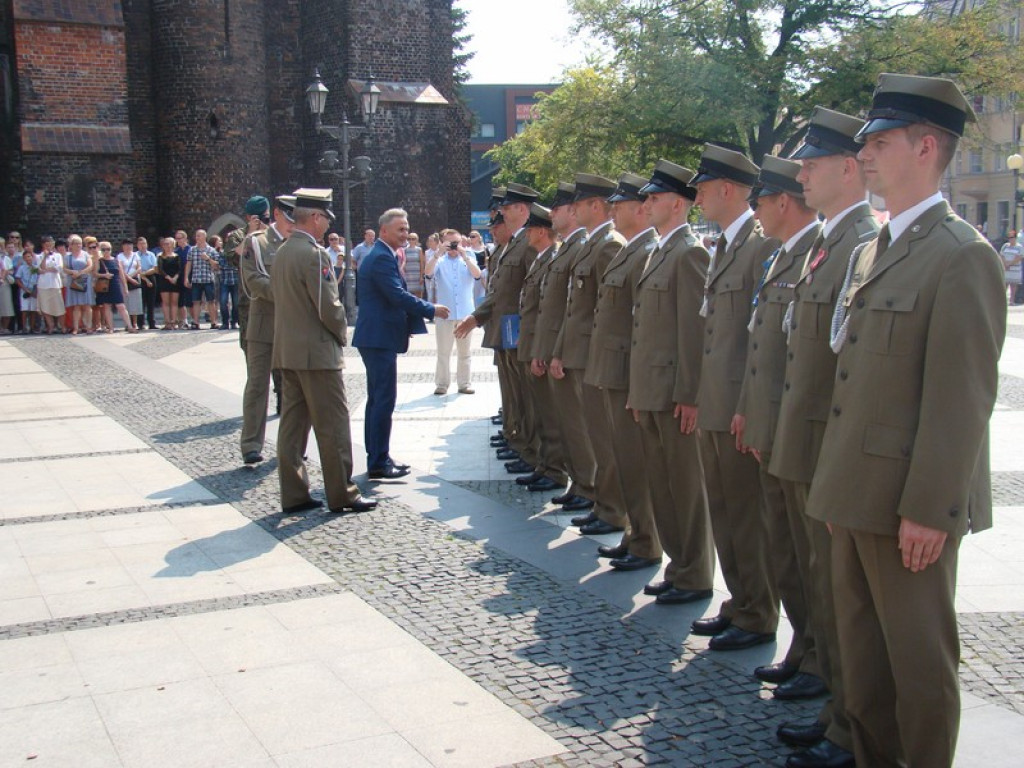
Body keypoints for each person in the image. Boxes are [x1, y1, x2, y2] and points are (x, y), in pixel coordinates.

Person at [807, 73, 1005, 768]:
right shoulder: (873, 248)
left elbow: (962, 398)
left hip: (908, 507)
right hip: (856, 493)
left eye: (880, 141)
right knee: (863, 666)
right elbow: (852, 379)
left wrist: (929, 509)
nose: (865, 154)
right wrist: (835, 487)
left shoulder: (962, 256)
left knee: (918, 668)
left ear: (925, 147)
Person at [770, 106, 880, 768]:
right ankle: (837, 708)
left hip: (828, 447)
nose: (801, 173)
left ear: (847, 168)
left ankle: (847, 716)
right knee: (818, 579)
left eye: (812, 163)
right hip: (806, 437)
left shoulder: (856, 243)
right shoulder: (832, 244)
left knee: (841, 594)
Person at [737, 155, 823, 697]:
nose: (755, 212)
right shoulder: (784, 256)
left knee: (808, 559)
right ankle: (805, 649)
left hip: (801, 433)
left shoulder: (816, 253)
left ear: (783, 202)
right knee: (787, 554)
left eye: (760, 201)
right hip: (774, 426)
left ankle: (820, 661)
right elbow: (761, 343)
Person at [690, 144, 782, 651]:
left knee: (748, 517)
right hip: (715, 402)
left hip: (737, 408)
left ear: (728, 189)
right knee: (725, 514)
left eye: (704, 190)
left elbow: (759, 338)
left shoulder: (760, 245)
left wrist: (749, 406)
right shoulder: (726, 245)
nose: (699, 198)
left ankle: (758, 611)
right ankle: (741, 599)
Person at [628, 159, 715, 602]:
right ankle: (678, 564)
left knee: (685, 488)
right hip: (652, 389)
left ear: (678, 203)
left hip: (674, 394)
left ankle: (696, 573)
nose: (647, 203)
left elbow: (693, 333)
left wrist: (689, 394)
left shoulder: (690, 252)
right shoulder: (662, 250)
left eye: (655, 197)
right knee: (663, 486)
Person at [271, 188, 376, 515]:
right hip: (316, 354)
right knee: (332, 425)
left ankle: (293, 492)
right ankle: (342, 492)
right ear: (315, 217)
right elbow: (328, 306)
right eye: (325, 219)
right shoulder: (313, 254)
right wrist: (341, 333)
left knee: (292, 427)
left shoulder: (283, 251)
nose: (327, 226)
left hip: (288, 352)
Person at [583, 173, 661, 555]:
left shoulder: (644, 251)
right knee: (624, 456)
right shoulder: (632, 249)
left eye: (621, 204)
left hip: (628, 371)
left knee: (633, 460)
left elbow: (641, 324)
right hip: (614, 369)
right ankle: (635, 534)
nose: (613, 210)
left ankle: (644, 537)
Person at [353, 208, 449, 479]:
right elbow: (397, 295)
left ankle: (379, 456)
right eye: (400, 229)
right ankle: (378, 463)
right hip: (378, 338)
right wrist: (431, 309)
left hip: (376, 337)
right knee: (383, 400)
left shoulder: (384, 254)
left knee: (377, 400)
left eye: (407, 229)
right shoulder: (382, 257)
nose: (405, 234)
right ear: (384, 231)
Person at [238, 194, 295, 464]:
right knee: (258, 386)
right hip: (263, 327)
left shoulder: (301, 244)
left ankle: (292, 445)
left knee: (293, 390)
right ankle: (251, 444)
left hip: (293, 327)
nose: (293, 223)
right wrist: (290, 293)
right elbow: (253, 281)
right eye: (289, 217)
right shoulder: (256, 242)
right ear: (277, 214)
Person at [424, 228, 481, 395]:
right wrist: (438, 253)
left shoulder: (468, 258)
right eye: (450, 243)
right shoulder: (439, 261)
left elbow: (477, 275)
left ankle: (464, 383)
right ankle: (442, 384)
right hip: (445, 313)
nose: (454, 246)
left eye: (456, 242)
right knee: (443, 352)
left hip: (465, 313)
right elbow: (427, 273)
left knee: (465, 352)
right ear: (443, 243)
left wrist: (464, 255)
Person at [226, 195, 271, 354]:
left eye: (264, 216)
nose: (262, 220)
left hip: (273, 299)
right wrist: (250, 234)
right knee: (251, 349)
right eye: (257, 217)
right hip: (248, 299)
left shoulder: (274, 234)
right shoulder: (237, 236)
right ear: (248, 217)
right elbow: (233, 258)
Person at [93, 241, 135, 332]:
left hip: (115, 284)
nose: (106, 251)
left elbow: (122, 275)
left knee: (121, 306)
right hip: (105, 286)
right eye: (103, 249)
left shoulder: (116, 260)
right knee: (107, 306)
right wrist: (104, 275)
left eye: (108, 249)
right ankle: (111, 327)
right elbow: (95, 273)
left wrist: (125, 287)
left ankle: (130, 326)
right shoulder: (99, 261)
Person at [185, 229, 219, 329]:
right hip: (196, 279)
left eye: (199, 236)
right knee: (196, 301)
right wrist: (186, 278)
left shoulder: (211, 250)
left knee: (211, 301)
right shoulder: (192, 250)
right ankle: (196, 322)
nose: (197, 238)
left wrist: (208, 259)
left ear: (204, 237)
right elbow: (188, 264)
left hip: (208, 279)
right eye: (196, 236)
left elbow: (217, 265)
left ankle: (213, 322)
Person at [65, 235, 95, 334]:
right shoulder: (67, 256)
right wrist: (72, 272)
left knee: (87, 305)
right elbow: (64, 268)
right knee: (76, 306)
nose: (78, 245)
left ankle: (88, 327)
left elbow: (90, 266)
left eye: (80, 243)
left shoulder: (85, 254)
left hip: (84, 280)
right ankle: (76, 327)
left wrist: (80, 273)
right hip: (73, 281)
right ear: (71, 245)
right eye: (76, 243)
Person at [36, 236, 65, 334]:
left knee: (59, 306)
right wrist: (44, 257)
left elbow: (58, 268)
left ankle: (62, 326)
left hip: (55, 284)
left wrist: (46, 270)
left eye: (50, 243)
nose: (48, 246)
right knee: (45, 307)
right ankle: (51, 326)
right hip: (43, 285)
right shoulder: (39, 256)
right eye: (46, 244)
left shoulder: (57, 256)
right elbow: (40, 269)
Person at [214, 235, 239, 329]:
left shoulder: (238, 251)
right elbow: (221, 265)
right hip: (224, 280)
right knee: (223, 302)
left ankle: (234, 322)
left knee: (236, 303)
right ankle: (225, 322)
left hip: (236, 280)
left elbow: (238, 264)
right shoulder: (222, 252)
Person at [156, 236, 182, 329]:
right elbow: (160, 269)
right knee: (165, 302)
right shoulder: (160, 256)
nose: (166, 246)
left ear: (172, 245)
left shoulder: (177, 256)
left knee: (174, 302)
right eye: (164, 244)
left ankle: (174, 321)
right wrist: (168, 278)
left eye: (168, 244)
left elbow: (180, 269)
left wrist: (175, 277)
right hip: (164, 280)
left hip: (175, 281)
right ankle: (167, 322)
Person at [118, 239, 143, 331]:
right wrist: (128, 278)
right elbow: (120, 269)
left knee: (135, 302)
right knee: (126, 301)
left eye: (130, 245)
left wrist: (131, 277)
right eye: (126, 245)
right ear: (123, 246)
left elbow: (139, 268)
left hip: (135, 279)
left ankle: (135, 323)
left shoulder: (135, 255)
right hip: (123, 281)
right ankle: (127, 323)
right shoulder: (119, 256)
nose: (128, 247)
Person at [136, 236, 159, 330]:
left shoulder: (151, 255)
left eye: (144, 243)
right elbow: (137, 269)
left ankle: (152, 323)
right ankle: (140, 323)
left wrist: (145, 274)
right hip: (139, 278)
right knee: (141, 302)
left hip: (150, 276)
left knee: (151, 302)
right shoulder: (135, 255)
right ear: (137, 245)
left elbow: (155, 268)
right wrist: (144, 276)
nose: (143, 246)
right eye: (141, 244)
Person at [174, 230, 195, 328]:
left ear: (185, 239)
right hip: (179, 278)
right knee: (180, 301)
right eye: (176, 238)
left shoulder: (191, 250)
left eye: (180, 238)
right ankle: (184, 320)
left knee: (190, 301)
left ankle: (195, 320)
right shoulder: (176, 251)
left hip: (190, 277)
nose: (178, 240)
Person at [15, 248, 39, 333]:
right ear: (24, 259)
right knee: (24, 310)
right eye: (26, 257)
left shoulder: (36, 267)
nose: (28, 258)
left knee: (33, 310)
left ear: (32, 257)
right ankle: (24, 327)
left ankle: (32, 328)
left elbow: (38, 278)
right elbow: (17, 279)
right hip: (24, 290)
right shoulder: (21, 268)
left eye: (29, 256)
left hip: (33, 290)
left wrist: (35, 290)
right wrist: (25, 289)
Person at [1000, 229, 1022, 305]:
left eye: (1012, 237)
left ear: (1015, 238)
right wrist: (1005, 264)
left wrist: (1010, 264)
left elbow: (1019, 257)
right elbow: (1002, 255)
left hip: (1014, 268)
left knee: (1013, 285)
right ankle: (1002, 300)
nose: (1011, 239)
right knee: (1004, 285)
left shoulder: (1019, 247)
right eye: (1009, 238)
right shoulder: (1005, 246)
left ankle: (1011, 300)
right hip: (1006, 268)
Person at [404, 232, 425, 298]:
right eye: (409, 239)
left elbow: (422, 263)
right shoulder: (405, 250)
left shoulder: (419, 249)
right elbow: (404, 262)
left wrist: (421, 276)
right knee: (408, 295)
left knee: (419, 295)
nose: (411, 240)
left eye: (413, 239)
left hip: (417, 275)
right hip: (408, 275)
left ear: (416, 240)